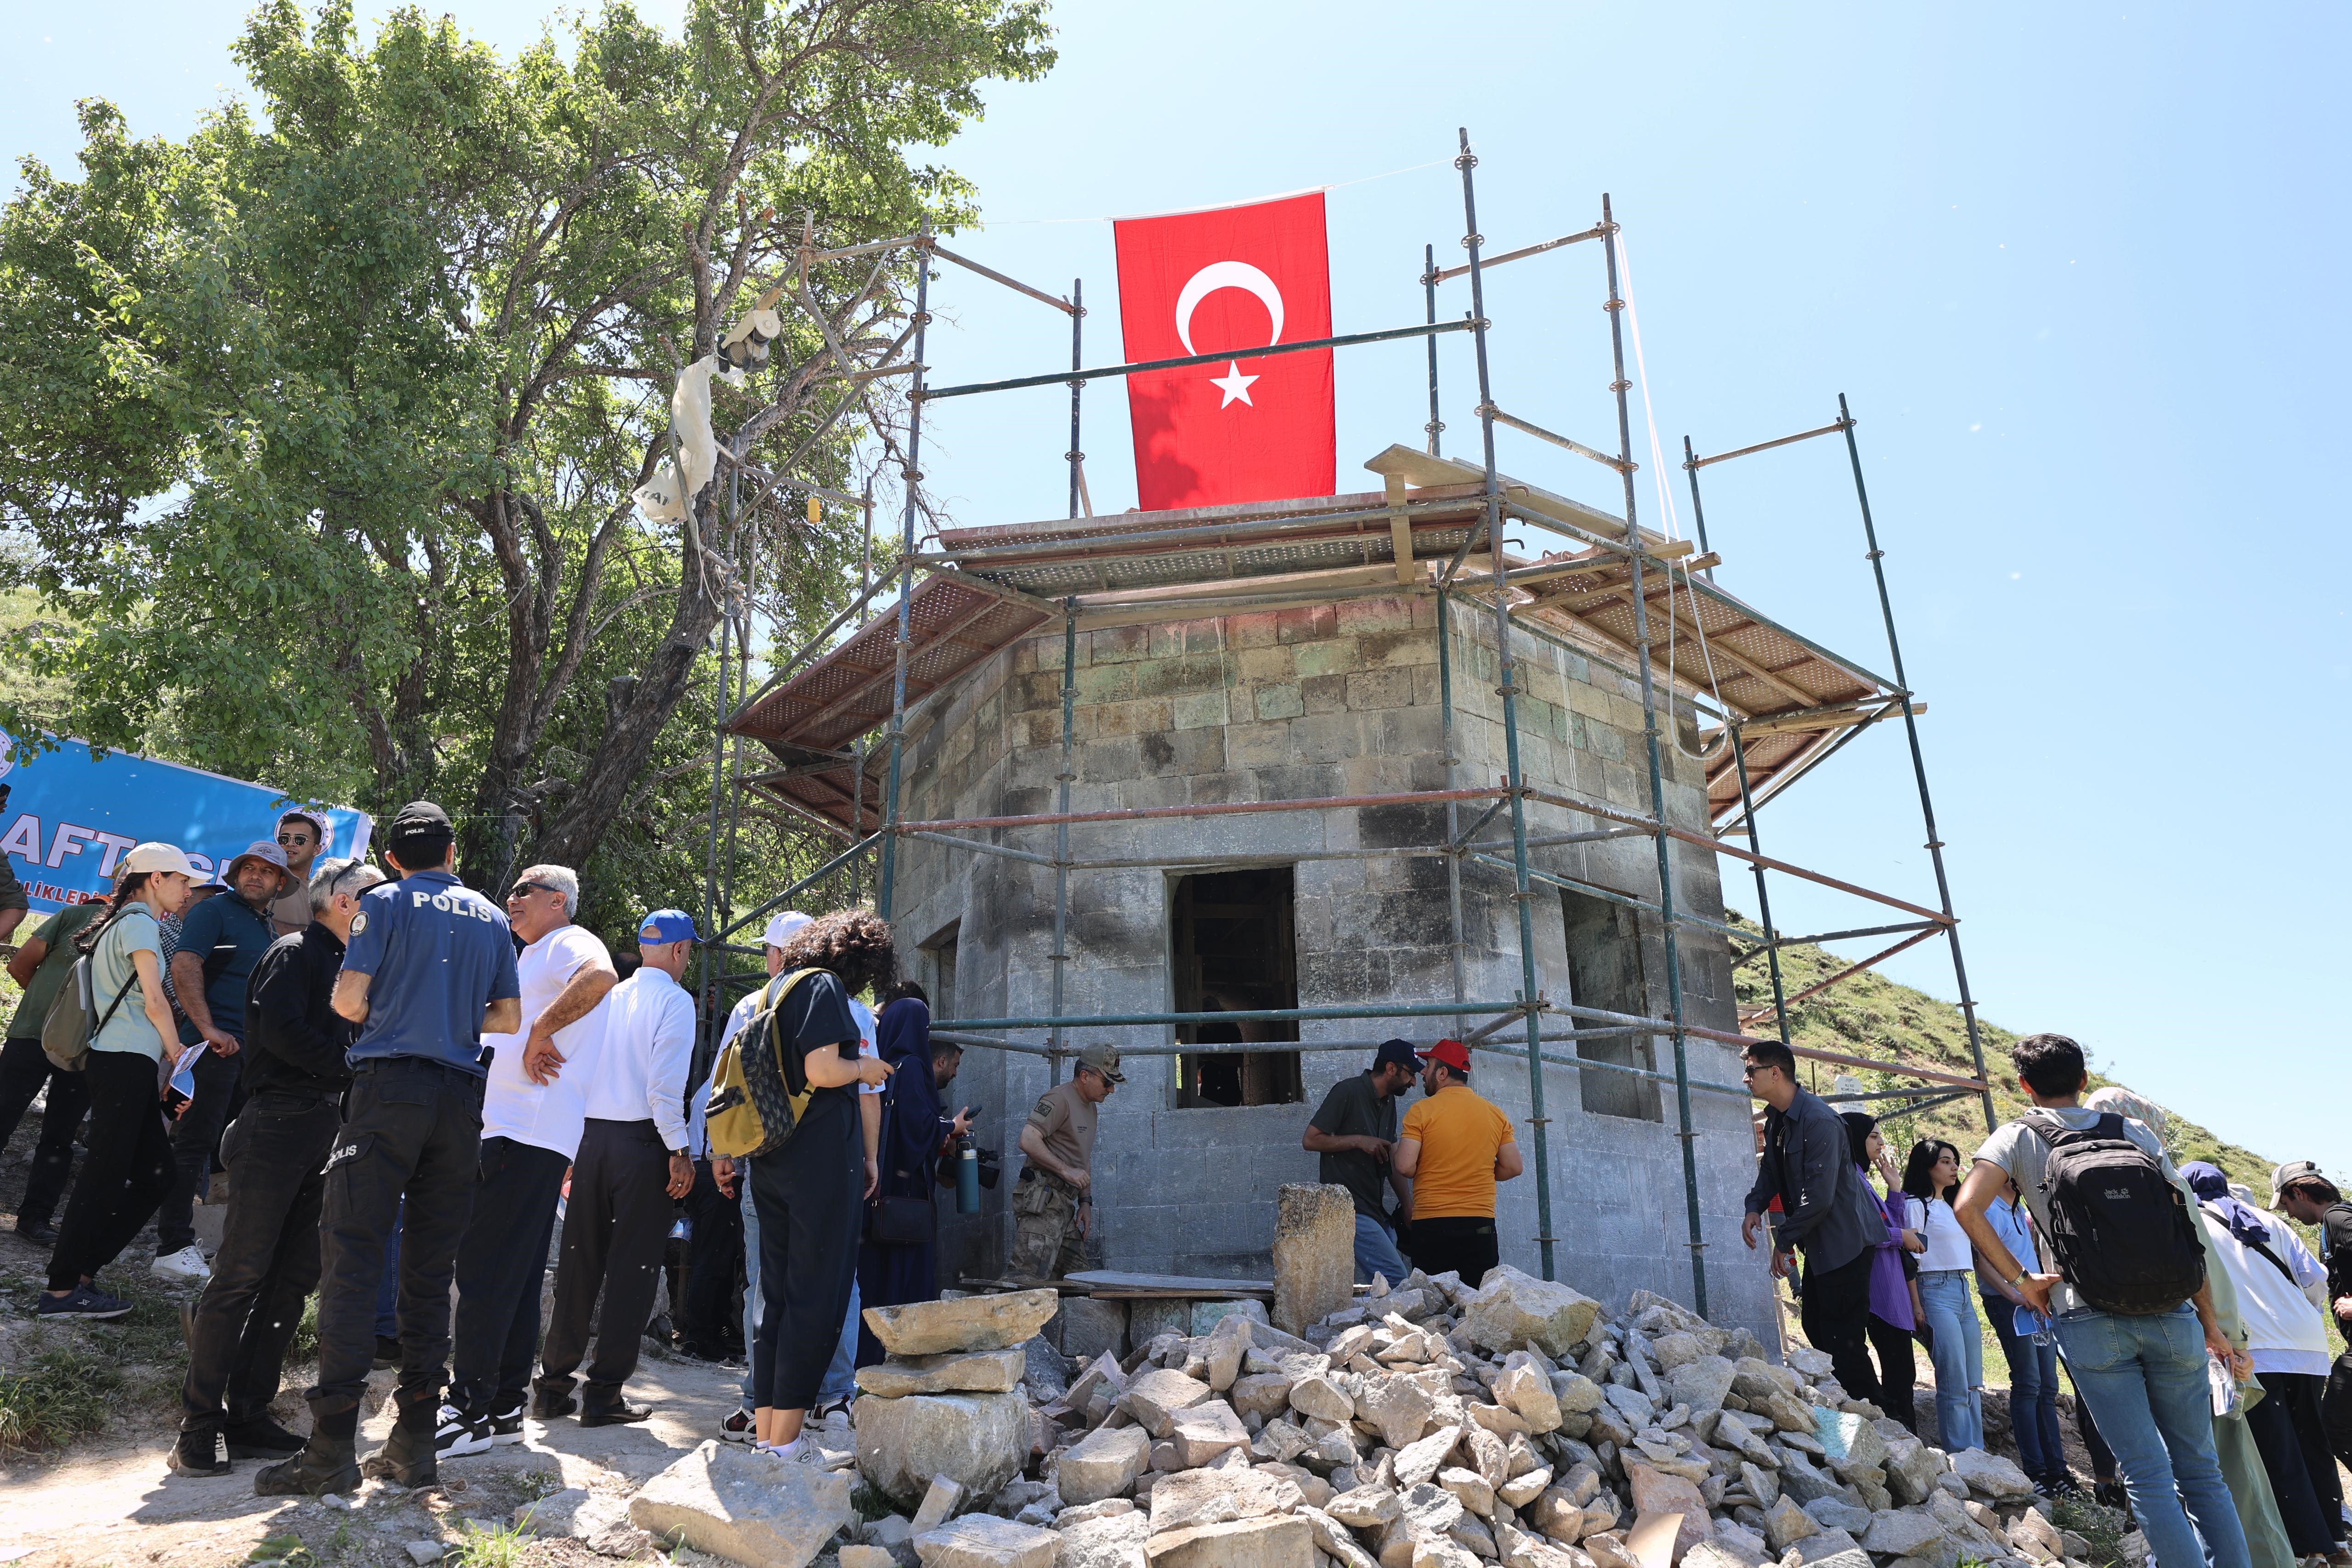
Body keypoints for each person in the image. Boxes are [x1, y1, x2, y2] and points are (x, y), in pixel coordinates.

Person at [256, 802, 520, 1498]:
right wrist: (449, 1012)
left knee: (351, 1256)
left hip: (388, 1093)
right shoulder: (493, 917)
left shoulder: (383, 904)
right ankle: (413, 1446)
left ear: (396, 859)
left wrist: (398, 1006)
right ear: (454, 851)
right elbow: (509, 1016)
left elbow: (347, 1001)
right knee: (431, 1272)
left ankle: (332, 1450)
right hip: (462, 1105)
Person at [1953, 1033, 2250, 1568]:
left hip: (2085, 1315)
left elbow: (1967, 1207)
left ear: (2022, 1084)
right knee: (2201, 1470)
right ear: (2083, 1080)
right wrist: (2208, 1322)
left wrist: (2022, 1279)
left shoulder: (2016, 1136)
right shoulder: (2133, 1132)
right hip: (2171, 1312)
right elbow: (2182, 1231)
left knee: (2145, 1473)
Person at [172, 857, 382, 1478]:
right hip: (276, 1122)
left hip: (323, 1126)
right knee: (240, 1273)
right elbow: (287, 1033)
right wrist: (360, 1067)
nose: (386, 912)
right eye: (377, 899)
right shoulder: (294, 953)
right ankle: (199, 1425)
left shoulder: (354, 966)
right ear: (344, 902)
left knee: (292, 1279)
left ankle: (249, 1414)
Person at [440, 864, 616, 1455]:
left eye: (523, 891)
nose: (511, 900)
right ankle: (504, 1405)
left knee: (487, 1268)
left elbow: (600, 976)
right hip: (520, 1129)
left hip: (528, 1128)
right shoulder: (529, 954)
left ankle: (465, 1409)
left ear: (557, 901)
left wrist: (542, 1028)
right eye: (511, 892)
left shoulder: (569, 940)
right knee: (509, 1274)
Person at [704, 910, 885, 1439]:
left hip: (770, 1157)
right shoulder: (825, 987)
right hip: (820, 1162)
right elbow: (821, 1070)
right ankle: (785, 1444)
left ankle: (765, 1436)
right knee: (818, 1296)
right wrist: (864, 1070)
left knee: (772, 1297)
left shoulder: (773, 990)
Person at [531, 909, 699, 1428]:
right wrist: (679, 1150)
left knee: (580, 1265)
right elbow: (664, 1088)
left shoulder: (610, 995)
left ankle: (553, 1388)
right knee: (633, 1271)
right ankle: (604, 1395)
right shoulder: (675, 1001)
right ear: (678, 951)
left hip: (591, 1140)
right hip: (642, 1144)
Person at [37, 845, 198, 1319]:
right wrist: (180, 1056)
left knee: (157, 1175)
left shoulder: (123, 921)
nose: (188, 890)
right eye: (182, 880)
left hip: (126, 1062)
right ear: (155, 879)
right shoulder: (141, 923)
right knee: (103, 1175)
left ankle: (83, 1274)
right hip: (124, 1061)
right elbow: (153, 999)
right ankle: (63, 1290)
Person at [2184, 1162, 2348, 1566]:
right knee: (2313, 1442)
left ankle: (2307, 1548)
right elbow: (2316, 1279)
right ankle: (2334, 1539)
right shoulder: (2270, 1221)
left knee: (2278, 1448)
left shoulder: (2191, 1220)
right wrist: (2294, 1313)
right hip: (2308, 1346)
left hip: (2256, 1348)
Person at [154, 839, 297, 1282]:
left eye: (267, 871)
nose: (256, 876)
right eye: (248, 868)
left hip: (248, 1060)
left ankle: (220, 1247)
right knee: (192, 1145)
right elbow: (184, 964)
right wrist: (208, 1027)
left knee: (237, 1153)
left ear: (279, 883)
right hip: (209, 1051)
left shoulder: (266, 928)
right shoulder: (213, 910)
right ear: (236, 876)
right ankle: (171, 1248)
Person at [1740, 1041, 1886, 1404]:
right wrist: (1754, 1206)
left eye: (1751, 1070)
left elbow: (1818, 1198)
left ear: (1775, 1073)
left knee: (1842, 1340)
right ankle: (1846, 1414)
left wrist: (1784, 1241)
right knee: (1817, 1329)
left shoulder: (1819, 1120)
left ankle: (1880, 1425)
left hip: (1847, 1243)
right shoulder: (1777, 1118)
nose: (1746, 1078)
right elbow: (1771, 1173)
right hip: (1822, 1245)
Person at [854, 982, 969, 1367]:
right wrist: (950, 1127)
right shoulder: (915, 1068)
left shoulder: (880, 1068)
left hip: (878, 1191)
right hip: (906, 1198)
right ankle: (904, 1365)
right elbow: (917, 1129)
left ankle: (864, 1361)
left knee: (873, 1283)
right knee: (906, 1283)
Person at [0, 891, 109, 1244]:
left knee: (60, 1138)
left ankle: (35, 1218)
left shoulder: (141, 934)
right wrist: (58, 1016)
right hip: (32, 1036)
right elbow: (19, 966)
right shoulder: (75, 917)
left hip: (83, 1051)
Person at [1975, 1166, 2075, 1494]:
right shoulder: (1988, 1208)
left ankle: (2058, 1472)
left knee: (2048, 1386)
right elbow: (1983, 1262)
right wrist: (2016, 1295)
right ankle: (2036, 1472)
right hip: (2011, 1305)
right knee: (2029, 1383)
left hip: (2036, 1305)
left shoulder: (2019, 1208)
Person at [1392, 1038, 1521, 1287]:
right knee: (1475, 1305)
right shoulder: (1495, 1113)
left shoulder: (1421, 1112)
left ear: (1442, 1073)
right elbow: (1514, 1167)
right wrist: (1475, 1167)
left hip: (1432, 1226)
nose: (1423, 1072)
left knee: (1435, 1310)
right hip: (1480, 1226)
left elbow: (1405, 1167)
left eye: (1428, 1066)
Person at [1303, 1040, 1419, 1289]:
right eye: (1410, 1073)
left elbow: (1391, 1157)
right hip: (1350, 1209)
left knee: (1384, 1286)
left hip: (1376, 1211)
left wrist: (1408, 1205)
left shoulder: (1389, 1102)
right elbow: (1310, 1140)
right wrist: (1358, 1141)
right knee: (1397, 1280)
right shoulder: (1347, 1091)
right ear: (1391, 1068)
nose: (1414, 1082)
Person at [1841, 1111, 1925, 1433]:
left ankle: (1906, 1441)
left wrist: (1894, 1188)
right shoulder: (1849, 1178)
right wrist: (1900, 1237)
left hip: (1890, 1288)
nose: (1881, 1143)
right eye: (1874, 1136)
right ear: (1855, 1139)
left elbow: (1890, 1224)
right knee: (1899, 1373)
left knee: (1902, 1373)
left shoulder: (1862, 1179)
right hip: (1878, 1293)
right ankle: (1903, 1441)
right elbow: (1863, 1230)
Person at [1012, 1043, 1124, 1282]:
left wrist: (1085, 1201)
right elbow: (1028, 1139)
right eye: (1107, 1082)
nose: (1112, 1090)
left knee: (1079, 1283)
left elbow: (1081, 1158)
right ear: (1085, 1076)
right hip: (1044, 1202)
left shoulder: (1091, 1107)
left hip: (1064, 1206)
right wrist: (1066, 1170)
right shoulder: (1059, 1098)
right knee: (1025, 1280)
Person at [2270, 1163, 2352, 1489]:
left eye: (2287, 1205)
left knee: (2332, 1424)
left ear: (2300, 1194)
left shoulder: (2337, 1219)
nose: (2289, 1214)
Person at [1900, 1138, 1985, 1450]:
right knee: (1953, 1379)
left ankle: (1978, 1454)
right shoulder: (1915, 1205)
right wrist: (1916, 1305)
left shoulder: (1954, 1206)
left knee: (1973, 1380)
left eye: (1955, 1161)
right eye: (1946, 1161)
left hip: (1963, 1290)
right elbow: (1910, 1259)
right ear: (1928, 1166)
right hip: (1933, 1289)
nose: (1954, 1167)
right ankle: (1962, 1457)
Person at [269, 811, 330, 936]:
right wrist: (314, 933)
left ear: (316, 849)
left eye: (300, 840)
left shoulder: (321, 893)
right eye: (284, 839)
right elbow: (251, 922)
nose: (290, 844)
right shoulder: (266, 880)